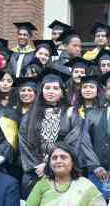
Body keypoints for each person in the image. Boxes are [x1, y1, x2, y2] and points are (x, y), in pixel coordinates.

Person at [18, 68, 79, 197]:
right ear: (41, 91)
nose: (51, 91)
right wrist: (37, 166)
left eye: (56, 88)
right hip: (35, 173)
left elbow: (74, 139)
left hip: (62, 169)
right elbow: (24, 142)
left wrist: (49, 165)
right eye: (47, 88)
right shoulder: (30, 115)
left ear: (62, 92)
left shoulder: (70, 113)